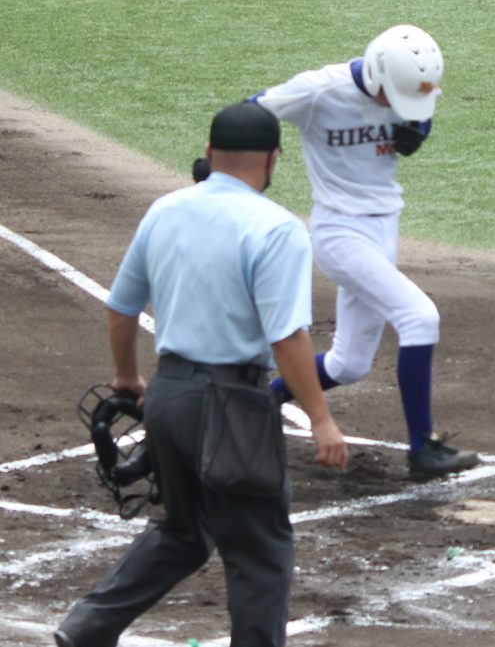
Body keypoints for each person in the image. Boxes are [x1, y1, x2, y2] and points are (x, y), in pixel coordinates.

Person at [55, 102, 349, 647]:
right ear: (273, 159)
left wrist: (128, 377)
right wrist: (320, 418)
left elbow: (121, 308)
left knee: (185, 530)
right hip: (233, 406)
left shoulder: (165, 210)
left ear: (210, 153)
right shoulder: (277, 228)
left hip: (168, 396)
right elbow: (287, 338)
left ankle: (88, 628)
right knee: (259, 548)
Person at [247, 24, 479, 481]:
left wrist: (420, 127)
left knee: (348, 364)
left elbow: (419, 113)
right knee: (419, 317)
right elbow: (252, 110)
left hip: (385, 228)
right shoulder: (319, 91)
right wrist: (224, 161)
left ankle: (257, 402)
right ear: (376, 74)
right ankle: (422, 449)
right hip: (340, 233)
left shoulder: (410, 81)